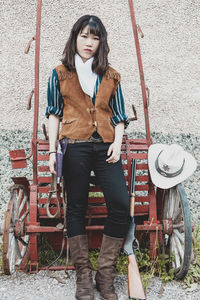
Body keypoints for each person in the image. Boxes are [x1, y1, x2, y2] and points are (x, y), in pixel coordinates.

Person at [46, 15, 130, 300]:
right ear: (75, 37)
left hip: (106, 147)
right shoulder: (59, 73)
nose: (89, 42)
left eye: (95, 38)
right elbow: (54, 114)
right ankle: (83, 275)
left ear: (100, 42)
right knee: (76, 207)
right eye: (84, 36)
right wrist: (51, 150)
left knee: (120, 203)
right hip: (75, 146)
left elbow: (119, 115)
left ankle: (105, 275)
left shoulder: (111, 75)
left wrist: (117, 142)